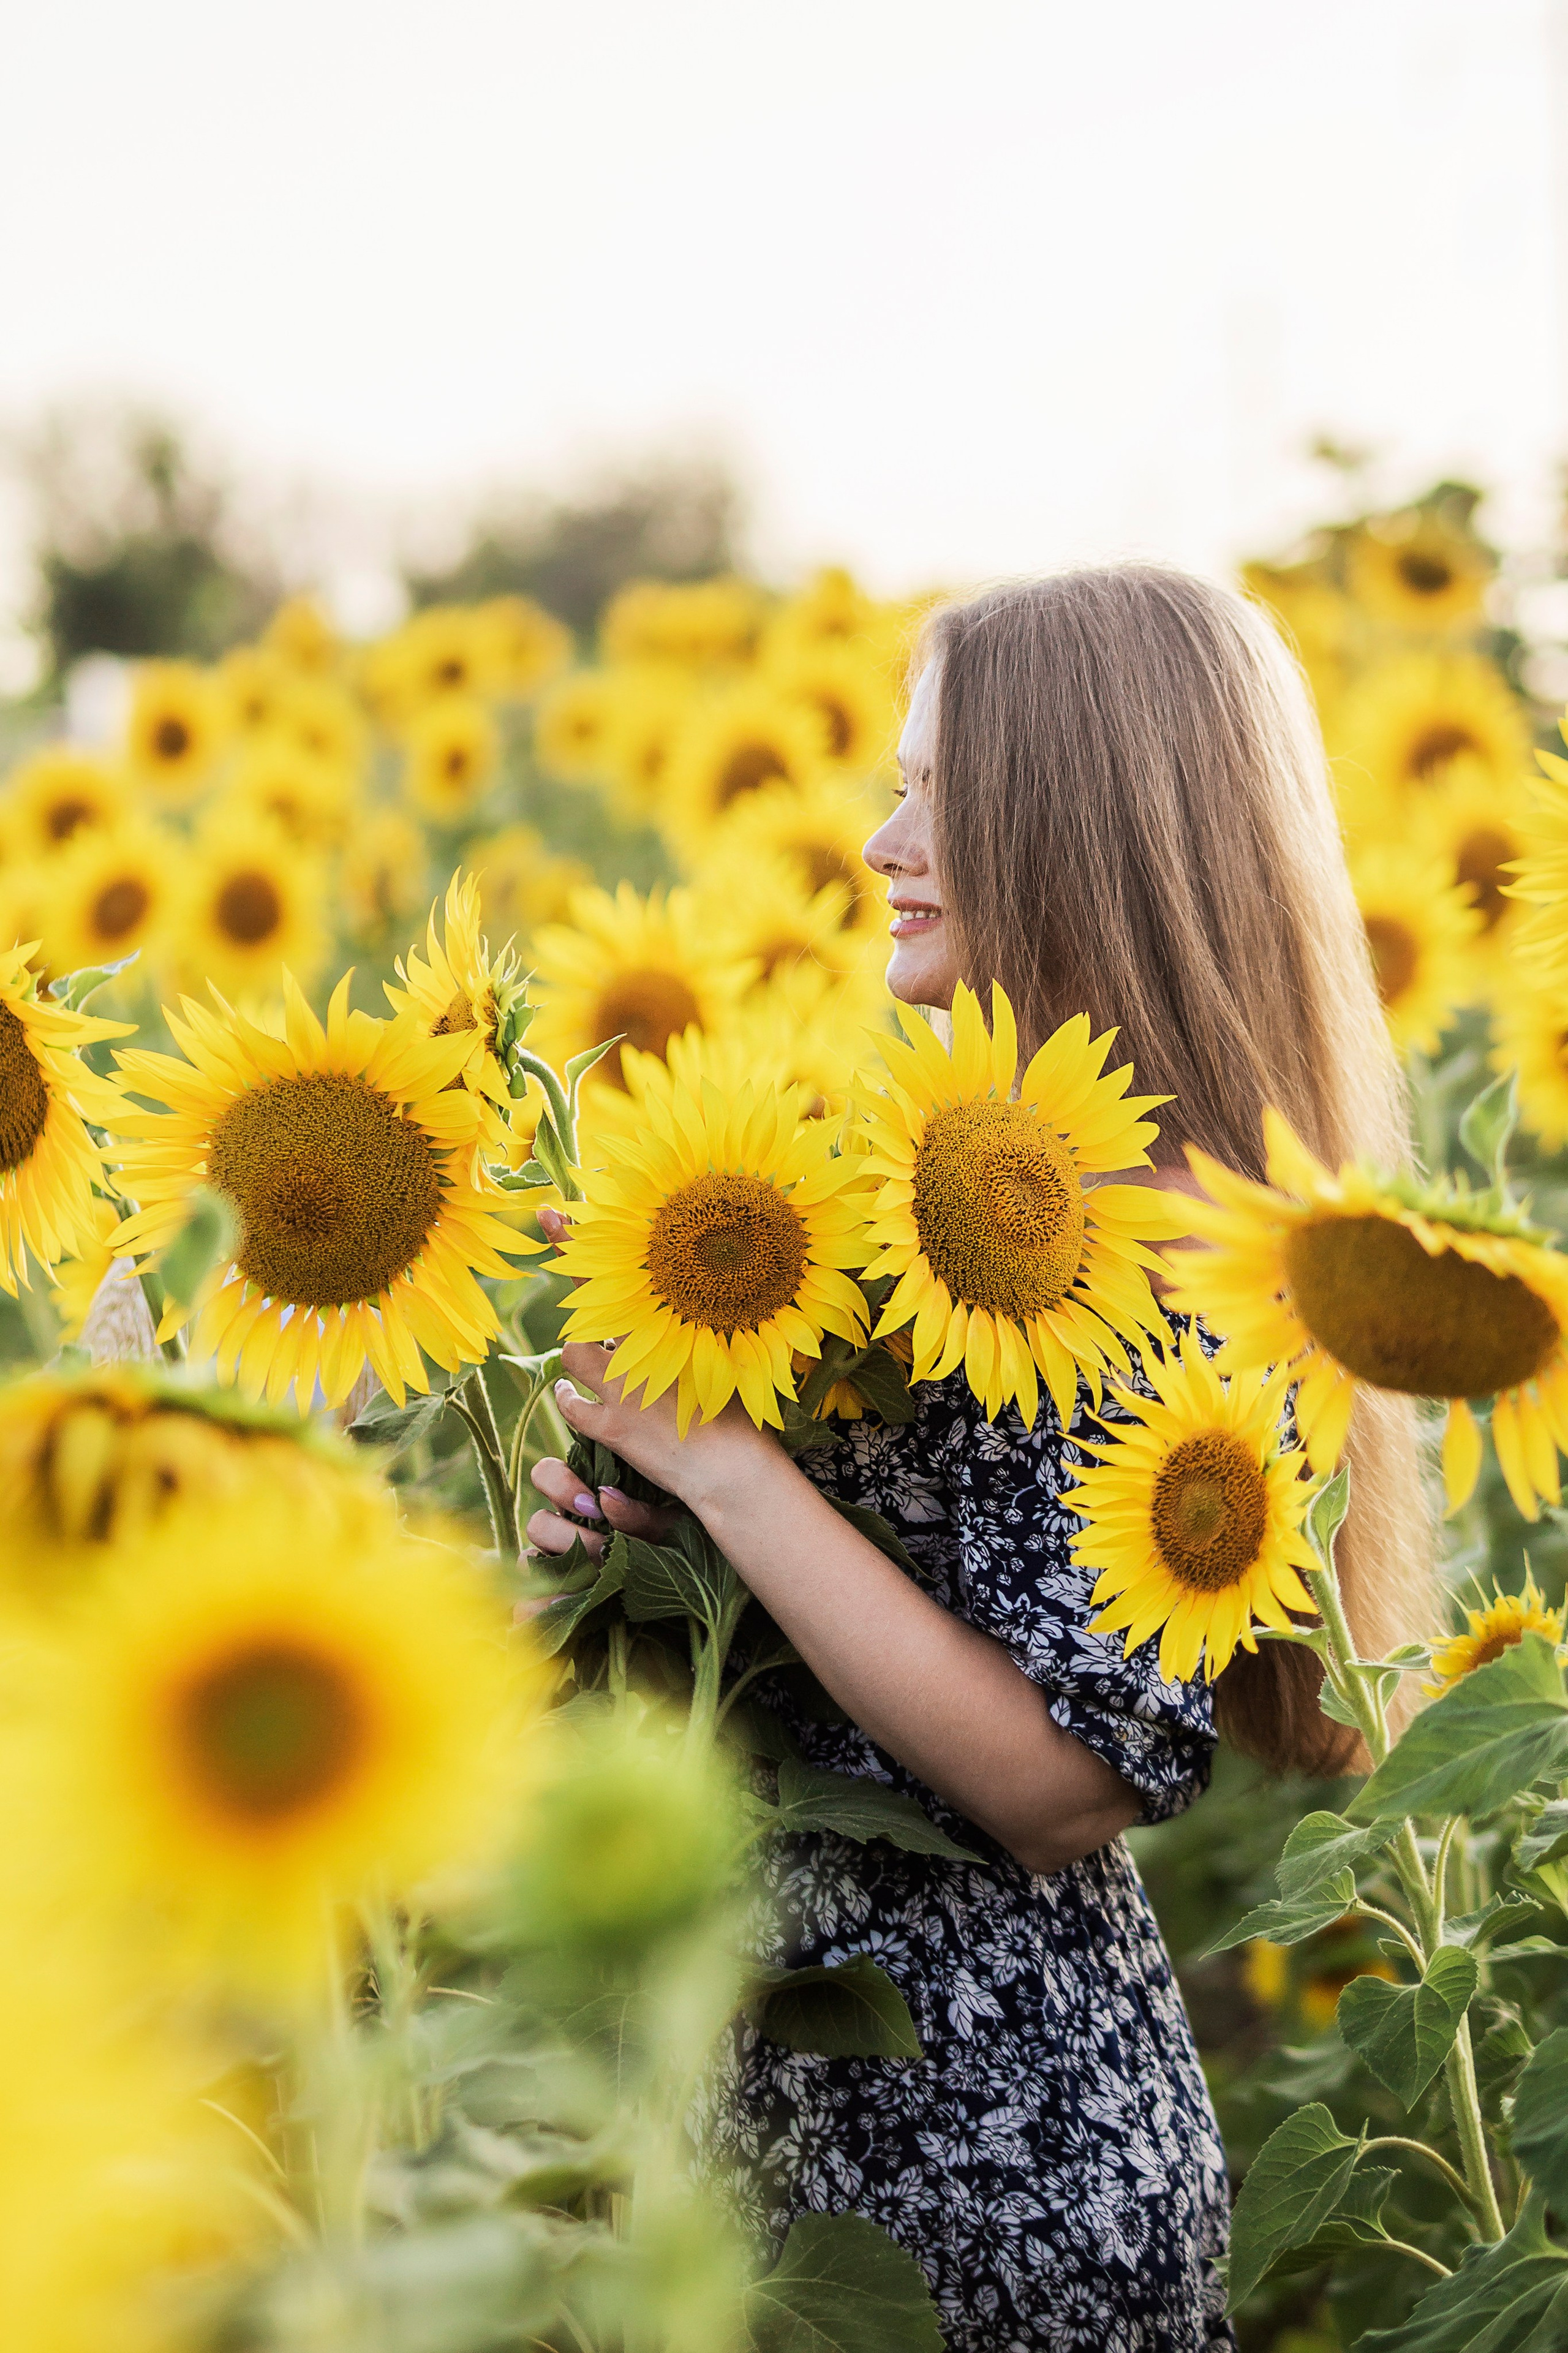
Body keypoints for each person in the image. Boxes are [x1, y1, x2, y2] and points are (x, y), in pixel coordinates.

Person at [526, 567, 1429, 2353]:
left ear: (1074, 820)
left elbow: (1060, 1776)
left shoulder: (1170, 1258)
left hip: (989, 2164)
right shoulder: (981, 1198)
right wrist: (653, 1545)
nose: (877, 842)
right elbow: (885, 1619)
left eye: (932, 794)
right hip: (826, 2112)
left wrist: (728, 1472)